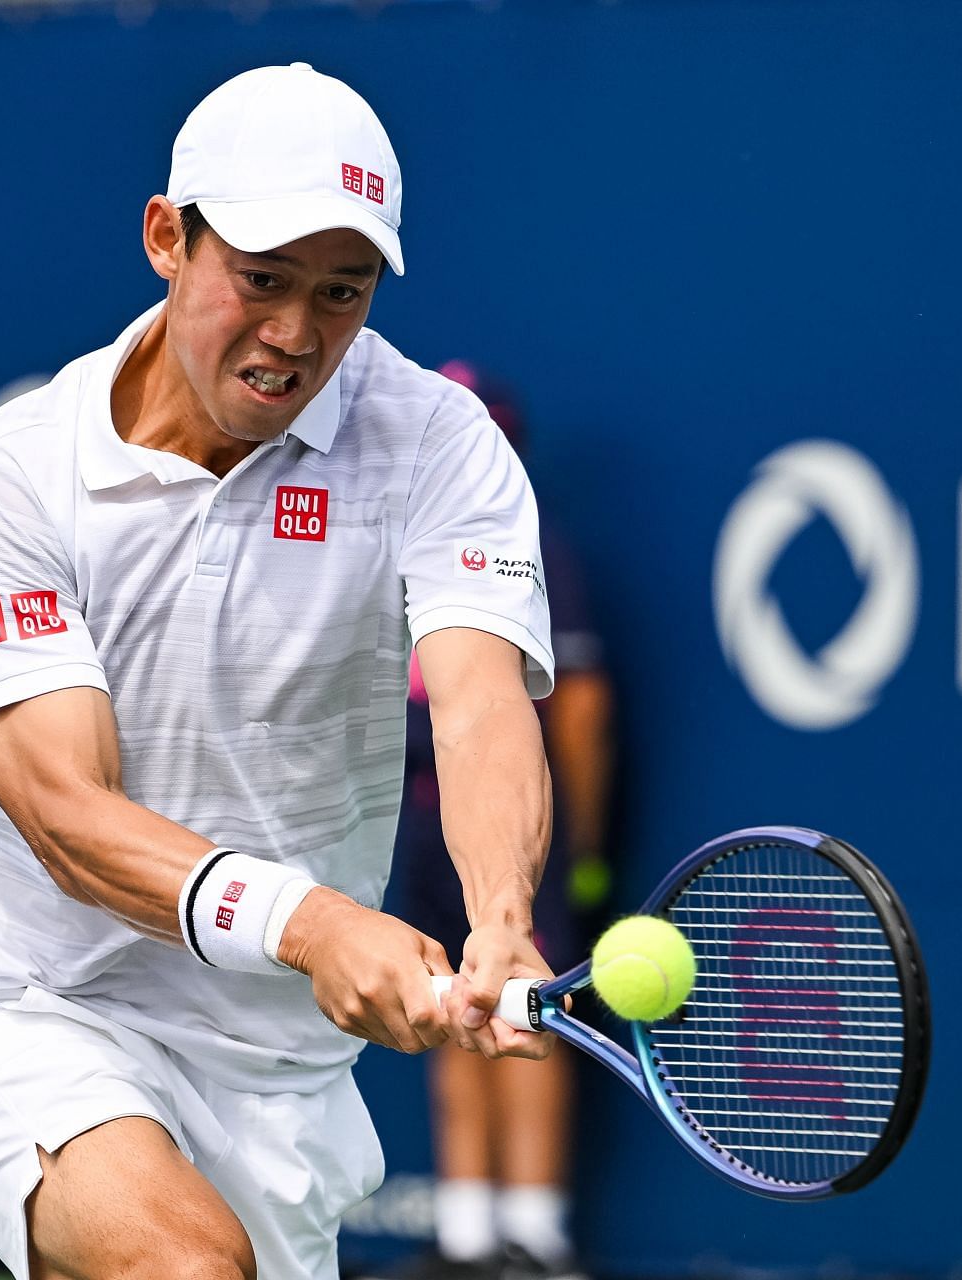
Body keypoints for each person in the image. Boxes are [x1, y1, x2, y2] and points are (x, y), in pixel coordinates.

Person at [0, 64, 562, 1280]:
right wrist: (311, 924)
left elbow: (476, 702)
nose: (297, 333)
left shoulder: (437, 444)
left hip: (282, 1081)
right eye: (261, 278)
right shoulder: (2, 483)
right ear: (166, 237)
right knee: (190, 1268)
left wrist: (501, 919)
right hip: (41, 1009)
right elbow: (66, 818)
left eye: (340, 292)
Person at [366, 367, 614, 1280]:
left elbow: (578, 705)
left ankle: (537, 1238)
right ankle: (468, 1236)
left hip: (514, 827)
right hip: (426, 821)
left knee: (530, 1009)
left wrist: (577, 845)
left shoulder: (530, 537)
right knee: (452, 1001)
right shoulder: (390, 534)